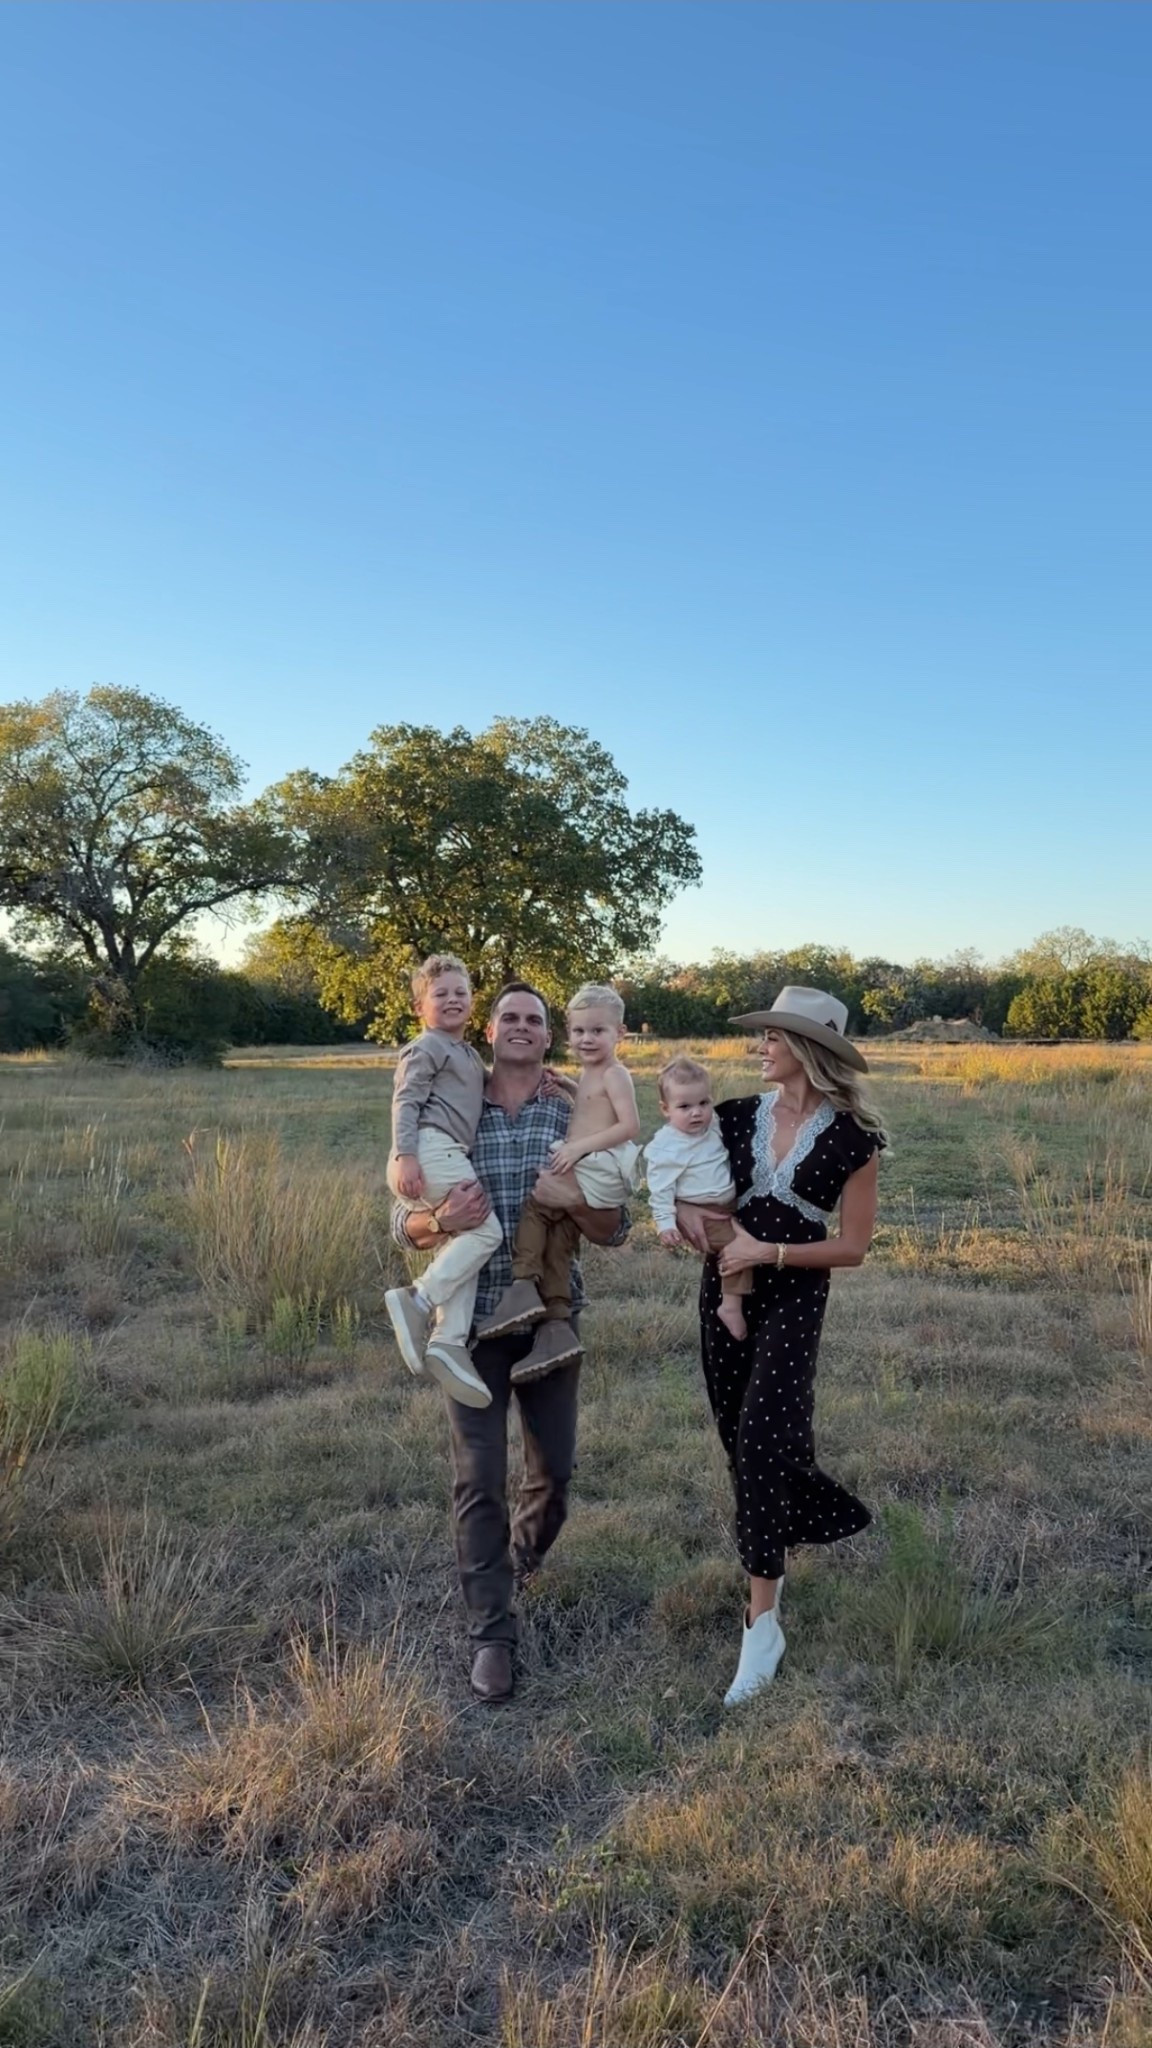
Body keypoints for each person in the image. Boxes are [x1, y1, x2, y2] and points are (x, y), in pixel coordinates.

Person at [389, 981, 629, 1703]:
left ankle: (519, 1560)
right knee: (478, 1477)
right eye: (509, 1017)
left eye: (535, 1019)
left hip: (550, 1322)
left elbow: (615, 1228)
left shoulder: (572, 1108)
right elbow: (402, 1223)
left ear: (549, 1037)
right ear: (488, 1032)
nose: (521, 1027)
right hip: (468, 1329)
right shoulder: (455, 1105)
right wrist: (440, 1221)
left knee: (554, 1475)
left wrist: (573, 1200)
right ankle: (492, 1633)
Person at [676, 987, 886, 1708]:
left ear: (807, 1047)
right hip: (725, 1291)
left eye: (773, 1036)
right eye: (763, 1035)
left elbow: (853, 1247)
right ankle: (782, 1531)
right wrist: (693, 1224)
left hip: (795, 1296)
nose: (760, 1046)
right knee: (741, 1441)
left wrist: (768, 1251)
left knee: (764, 1441)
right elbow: (682, 1171)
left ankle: (760, 1625)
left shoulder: (854, 1138)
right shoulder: (734, 1116)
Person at [475, 983, 640, 1380]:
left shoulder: (612, 1074)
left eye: (597, 1031)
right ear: (490, 1030)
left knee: (538, 1210)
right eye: (580, 1031)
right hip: (473, 1307)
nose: (587, 1039)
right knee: (558, 1238)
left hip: (593, 1167)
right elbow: (594, 1103)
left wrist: (576, 1153)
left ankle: (523, 1288)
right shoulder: (463, 1107)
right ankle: (556, 1323)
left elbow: (629, 1126)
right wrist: (569, 1087)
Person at [383, 954, 501, 1408]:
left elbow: (490, 1087)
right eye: (441, 994)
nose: (453, 999)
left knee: (464, 1239)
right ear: (420, 1007)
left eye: (461, 992)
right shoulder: (426, 1046)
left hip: (442, 1151)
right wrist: (405, 1155)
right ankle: (418, 1300)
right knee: (486, 1231)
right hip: (430, 1147)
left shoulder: (465, 1053)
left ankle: (448, 1341)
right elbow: (406, 1101)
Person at [645, 1055, 752, 1341]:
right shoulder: (668, 1147)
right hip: (703, 1211)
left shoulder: (711, 1126)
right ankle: (730, 1306)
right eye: (684, 1107)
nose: (697, 1113)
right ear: (665, 1109)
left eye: (704, 1103)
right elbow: (661, 1190)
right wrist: (665, 1224)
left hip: (729, 1205)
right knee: (738, 1248)